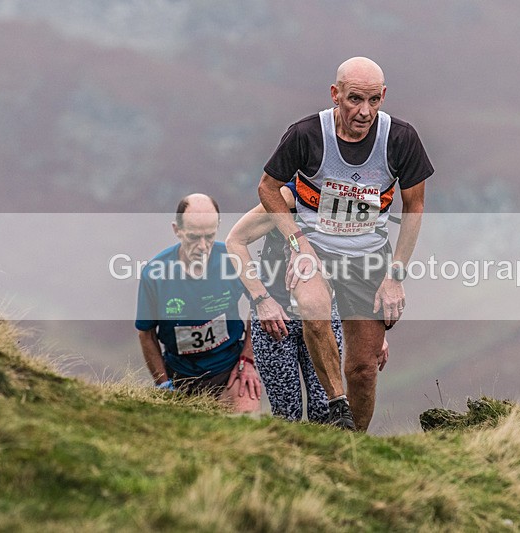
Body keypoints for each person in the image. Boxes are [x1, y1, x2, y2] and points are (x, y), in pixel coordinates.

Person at [257, 57, 433, 431]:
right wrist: (298, 243)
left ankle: (354, 443)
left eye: (373, 100)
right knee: (314, 307)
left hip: (368, 257)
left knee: (364, 369)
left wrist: (395, 276)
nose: (363, 111)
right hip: (315, 248)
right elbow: (268, 188)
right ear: (335, 95)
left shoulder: (400, 139)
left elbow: (415, 205)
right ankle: (337, 406)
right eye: (354, 99)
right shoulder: (307, 134)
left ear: (383, 97)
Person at [226, 182, 345, 422]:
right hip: (276, 319)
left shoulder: (346, 196)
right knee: (286, 415)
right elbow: (235, 241)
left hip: (324, 315)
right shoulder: (287, 196)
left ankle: (327, 460)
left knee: (326, 411)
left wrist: (370, 331)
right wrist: (261, 299)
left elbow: (353, 262)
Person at [135, 193, 261, 413]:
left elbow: (261, 305)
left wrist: (248, 359)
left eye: (210, 236)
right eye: (194, 237)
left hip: (229, 371)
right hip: (179, 374)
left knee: (248, 423)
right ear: (177, 230)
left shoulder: (233, 259)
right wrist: (163, 384)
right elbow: (146, 333)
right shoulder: (155, 273)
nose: (203, 246)